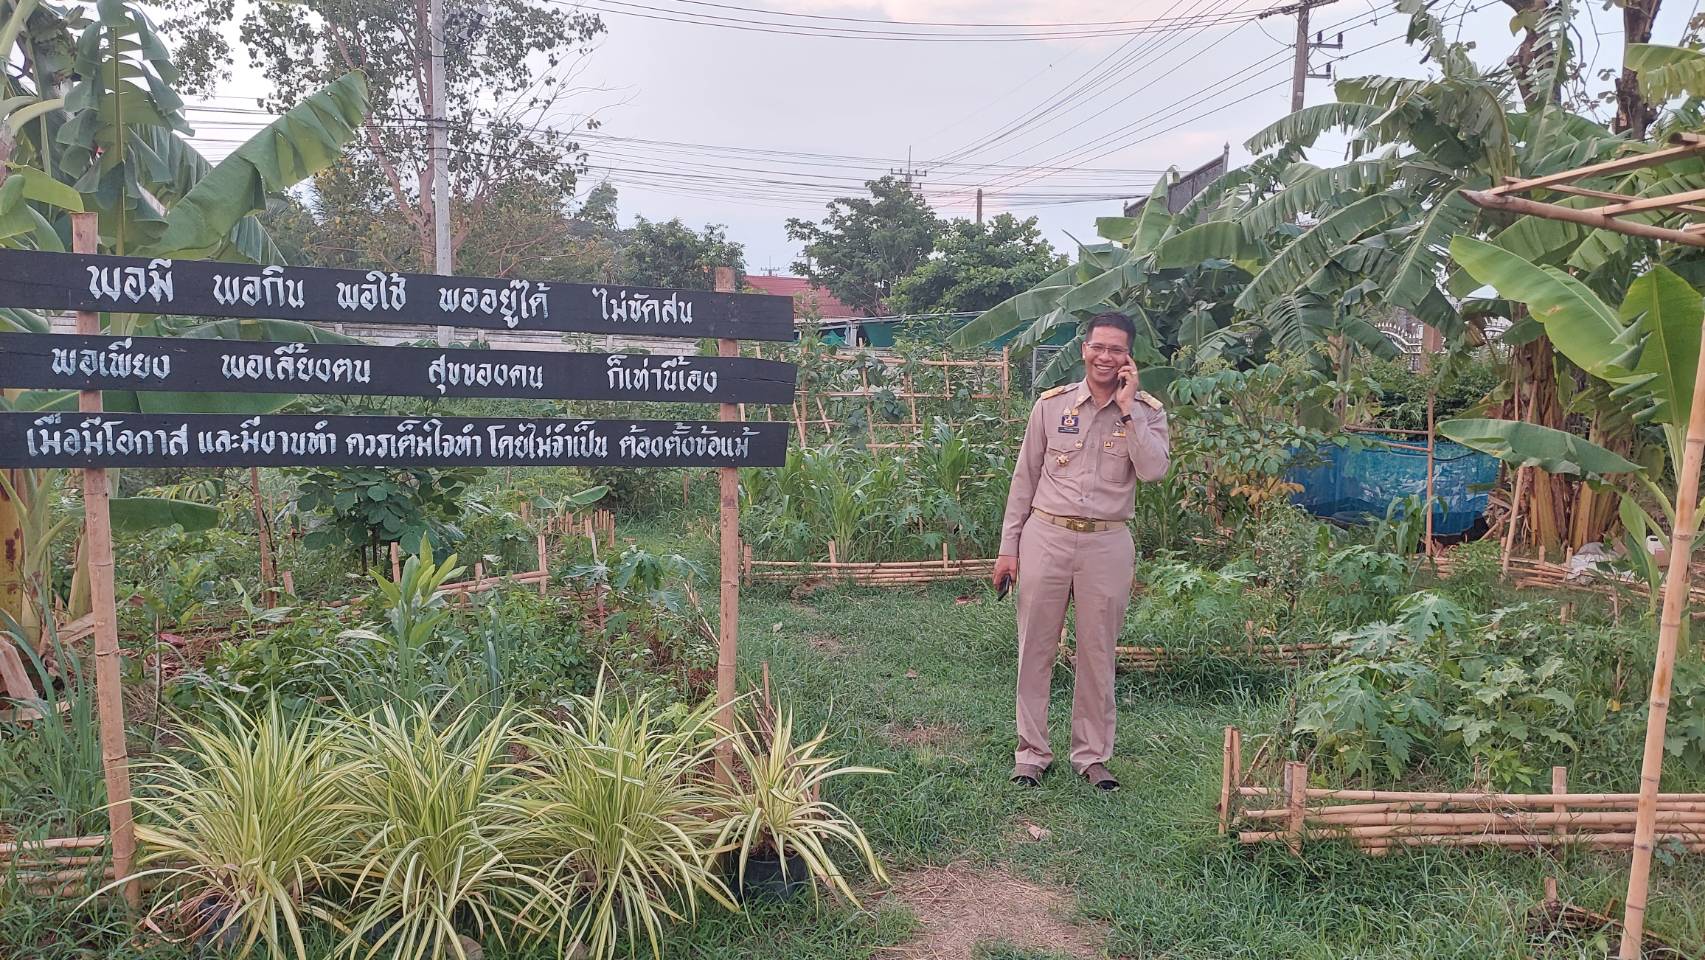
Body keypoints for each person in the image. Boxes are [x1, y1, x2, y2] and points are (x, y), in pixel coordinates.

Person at [993, 312, 1170, 791]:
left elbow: (1154, 471)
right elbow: (1023, 478)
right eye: (1099, 347)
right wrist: (1009, 547)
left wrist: (1129, 409)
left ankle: (1091, 756)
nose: (1106, 357)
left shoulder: (1148, 412)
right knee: (1035, 648)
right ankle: (1031, 753)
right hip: (1046, 536)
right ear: (1084, 349)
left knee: (1098, 652)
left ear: (1129, 357)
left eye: (1116, 350)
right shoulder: (1051, 406)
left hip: (1107, 543)